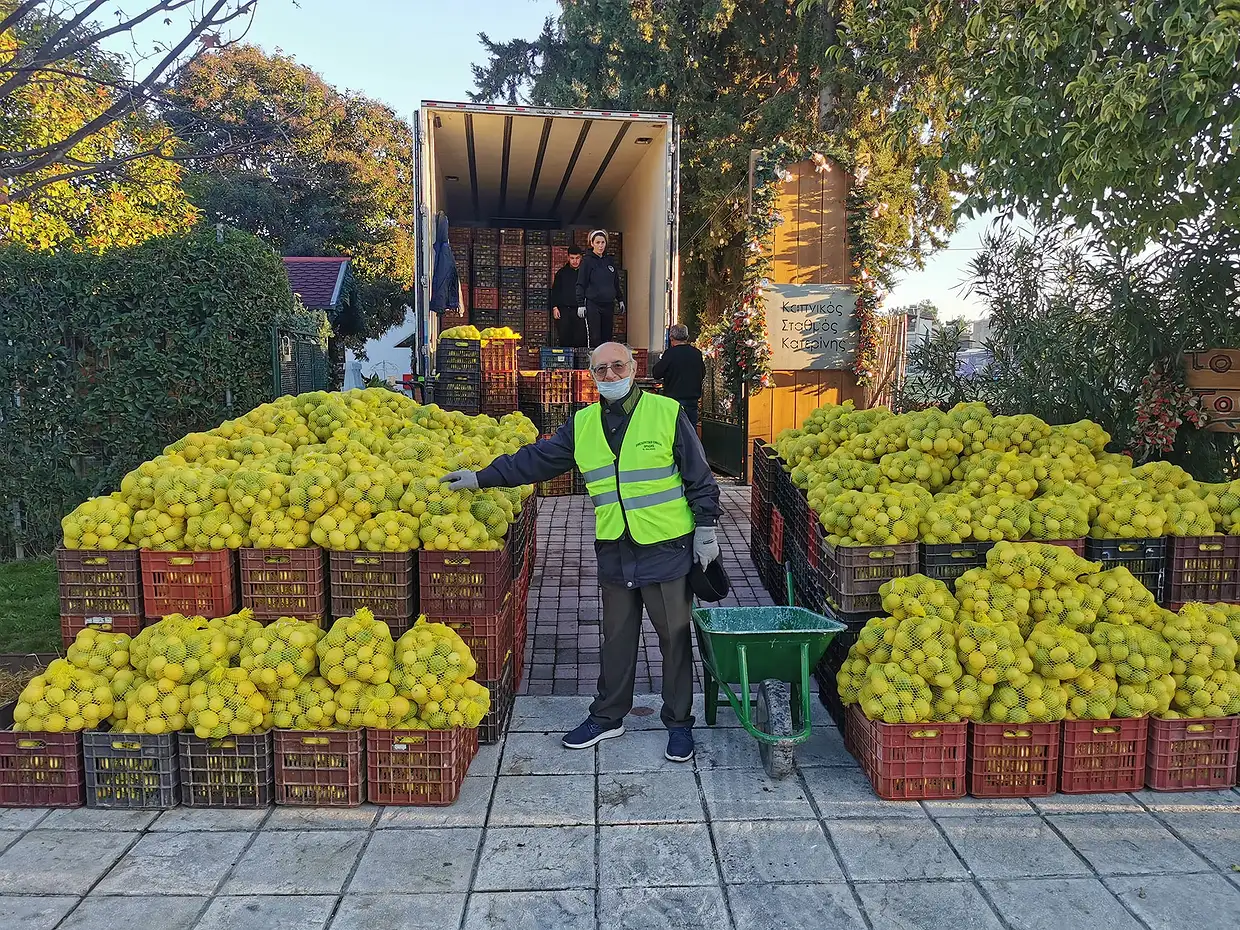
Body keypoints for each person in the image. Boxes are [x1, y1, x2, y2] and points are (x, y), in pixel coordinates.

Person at [441, 342, 721, 762]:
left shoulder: (666, 413)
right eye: (601, 370)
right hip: (616, 549)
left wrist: (706, 529)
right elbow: (536, 460)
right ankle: (608, 716)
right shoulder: (583, 423)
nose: (610, 375)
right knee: (617, 639)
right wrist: (482, 478)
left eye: (617, 367)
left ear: (633, 368)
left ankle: (679, 723)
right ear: (592, 377)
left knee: (674, 639)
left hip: (667, 548)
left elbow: (699, 475)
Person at [576, 230, 624, 348]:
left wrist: (620, 299)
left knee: (607, 337)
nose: (600, 245)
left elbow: (615, 282)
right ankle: (595, 363)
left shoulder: (609, 261)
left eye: (603, 242)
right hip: (593, 304)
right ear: (592, 243)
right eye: (597, 242)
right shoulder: (587, 262)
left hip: (608, 304)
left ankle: (605, 363)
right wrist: (580, 304)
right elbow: (581, 283)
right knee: (595, 336)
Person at [652, 324, 706, 429]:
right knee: (690, 430)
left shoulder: (670, 354)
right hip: (692, 398)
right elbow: (702, 373)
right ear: (687, 337)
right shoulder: (696, 353)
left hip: (673, 398)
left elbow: (657, 373)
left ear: (671, 338)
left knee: (673, 429)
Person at [550, 246, 586, 347]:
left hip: (580, 310)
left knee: (580, 339)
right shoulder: (561, 273)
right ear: (568, 258)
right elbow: (555, 291)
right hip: (564, 310)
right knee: (564, 338)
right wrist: (555, 307)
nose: (575, 261)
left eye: (577, 258)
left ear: (581, 258)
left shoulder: (585, 273)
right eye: (572, 258)